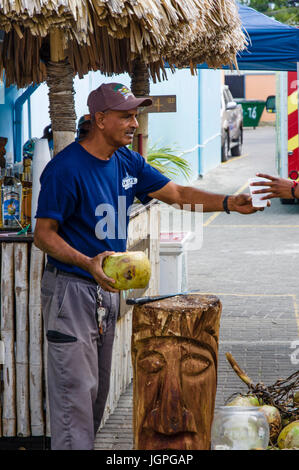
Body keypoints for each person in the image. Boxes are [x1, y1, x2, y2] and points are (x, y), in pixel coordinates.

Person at [33, 82, 267, 450]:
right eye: (126, 116)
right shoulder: (66, 169)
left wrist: (228, 202)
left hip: (106, 293)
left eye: (135, 115)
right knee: (73, 402)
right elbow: (43, 235)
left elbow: (176, 194)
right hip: (72, 290)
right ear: (100, 119)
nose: (135, 124)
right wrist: (87, 262)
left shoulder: (127, 161)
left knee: (94, 399)